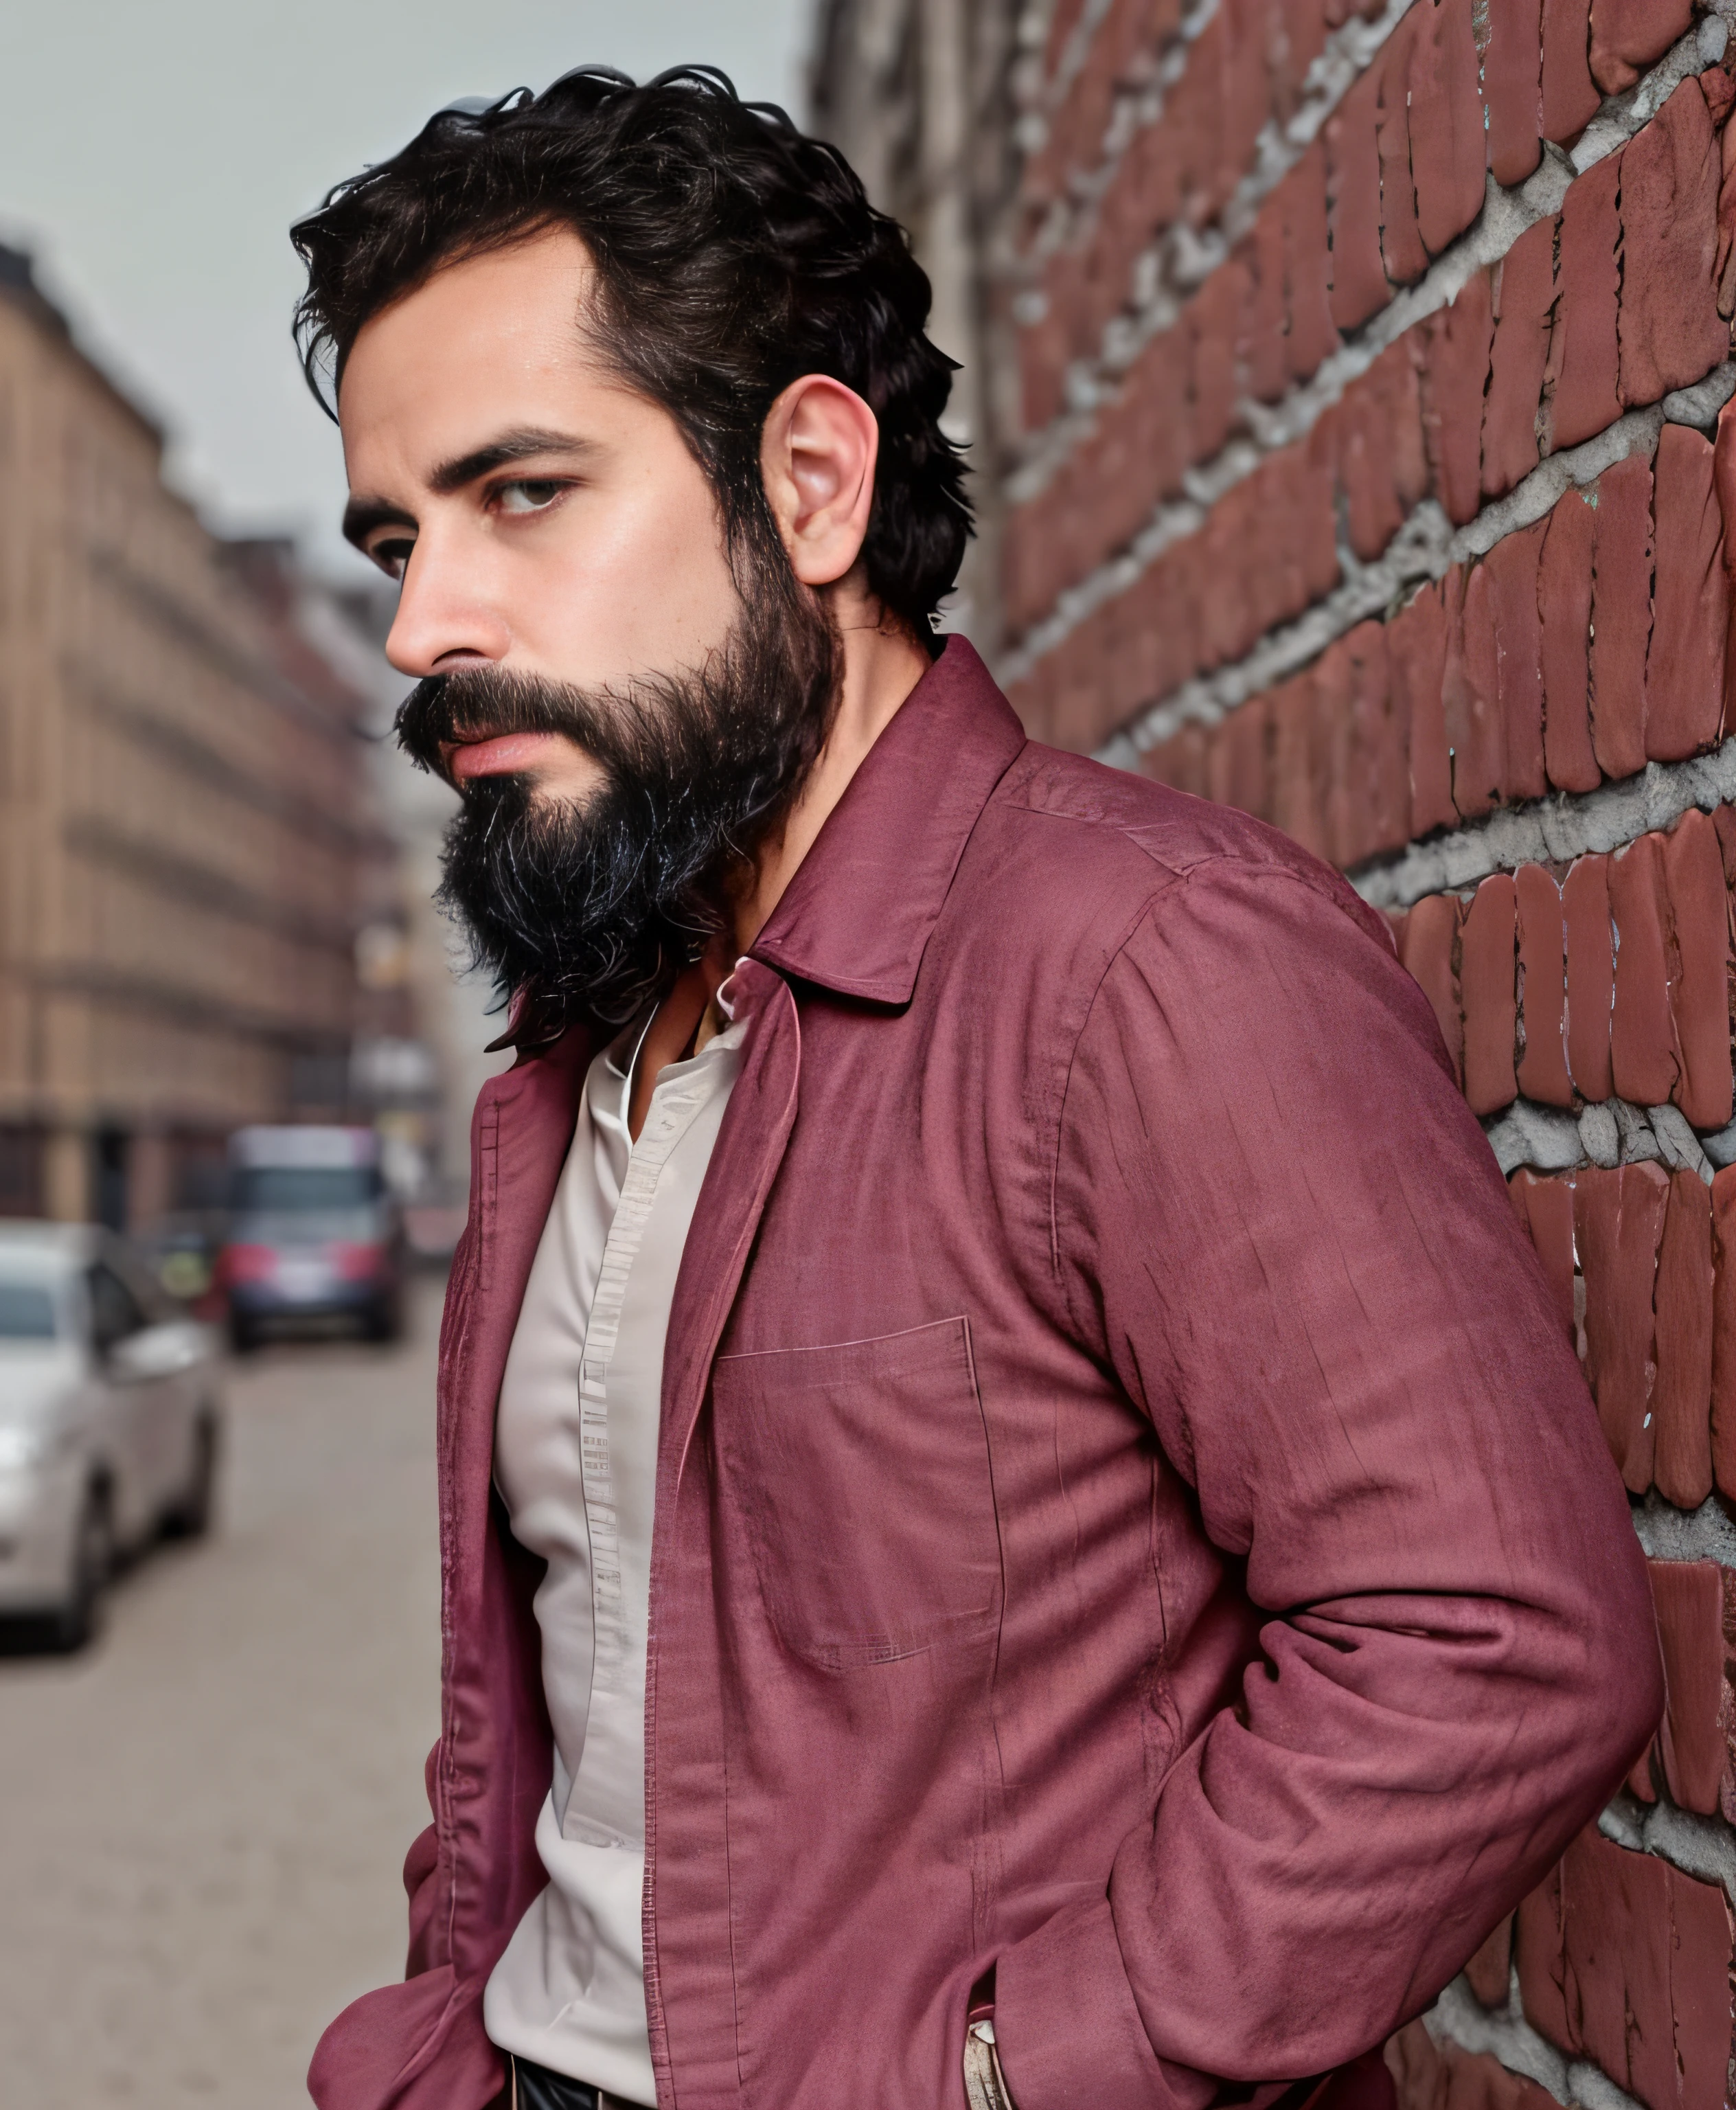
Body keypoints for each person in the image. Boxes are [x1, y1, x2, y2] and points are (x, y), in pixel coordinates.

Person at [293, 67, 1660, 2110]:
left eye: (525, 497)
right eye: (396, 537)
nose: (425, 626)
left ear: (817, 487)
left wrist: (1014, 2078)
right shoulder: (570, 1062)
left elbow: (1492, 1641)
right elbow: (559, 1705)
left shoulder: (1147, 964)